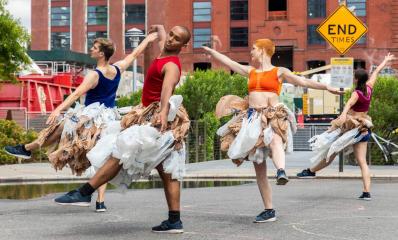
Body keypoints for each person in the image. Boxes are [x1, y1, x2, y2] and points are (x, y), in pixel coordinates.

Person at [53, 25, 191, 234]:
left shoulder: (171, 64)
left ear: (184, 45)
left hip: (157, 118)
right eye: (171, 35)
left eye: (176, 38)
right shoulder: (164, 52)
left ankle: (85, 192)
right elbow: (162, 40)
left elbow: (167, 89)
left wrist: (163, 112)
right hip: (150, 114)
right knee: (168, 170)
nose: (171, 39)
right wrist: (160, 29)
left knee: (121, 150)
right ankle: (174, 221)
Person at [4, 33, 159, 212]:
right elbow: (134, 54)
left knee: (61, 126)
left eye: (94, 47)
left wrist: (57, 109)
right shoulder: (117, 68)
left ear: (101, 54)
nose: (91, 49)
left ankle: (27, 149)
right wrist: (148, 40)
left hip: (92, 116)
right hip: (109, 118)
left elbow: (77, 94)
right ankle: (100, 202)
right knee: (102, 157)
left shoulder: (95, 74)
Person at [202, 38, 342, 222]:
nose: (250, 52)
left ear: (262, 50)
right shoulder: (250, 71)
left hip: (273, 114)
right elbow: (230, 62)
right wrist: (211, 52)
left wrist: (326, 87)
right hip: (253, 118)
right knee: (259, 166)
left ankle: (281, 171)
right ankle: (269, 210)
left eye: (253, 49)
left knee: (275, 139)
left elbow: (303, 82)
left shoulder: (279, 72)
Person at [297, 53, 396, 201]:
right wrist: (385, 61)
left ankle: (311, 171)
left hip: (352, 128)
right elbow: (376, 71)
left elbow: (348, 104)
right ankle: (366, 192)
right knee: (362, 161)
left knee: (332, 152)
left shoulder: (356, 93)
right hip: (363, 128)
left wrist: (343, 115)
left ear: (356, 79)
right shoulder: (369, 88)